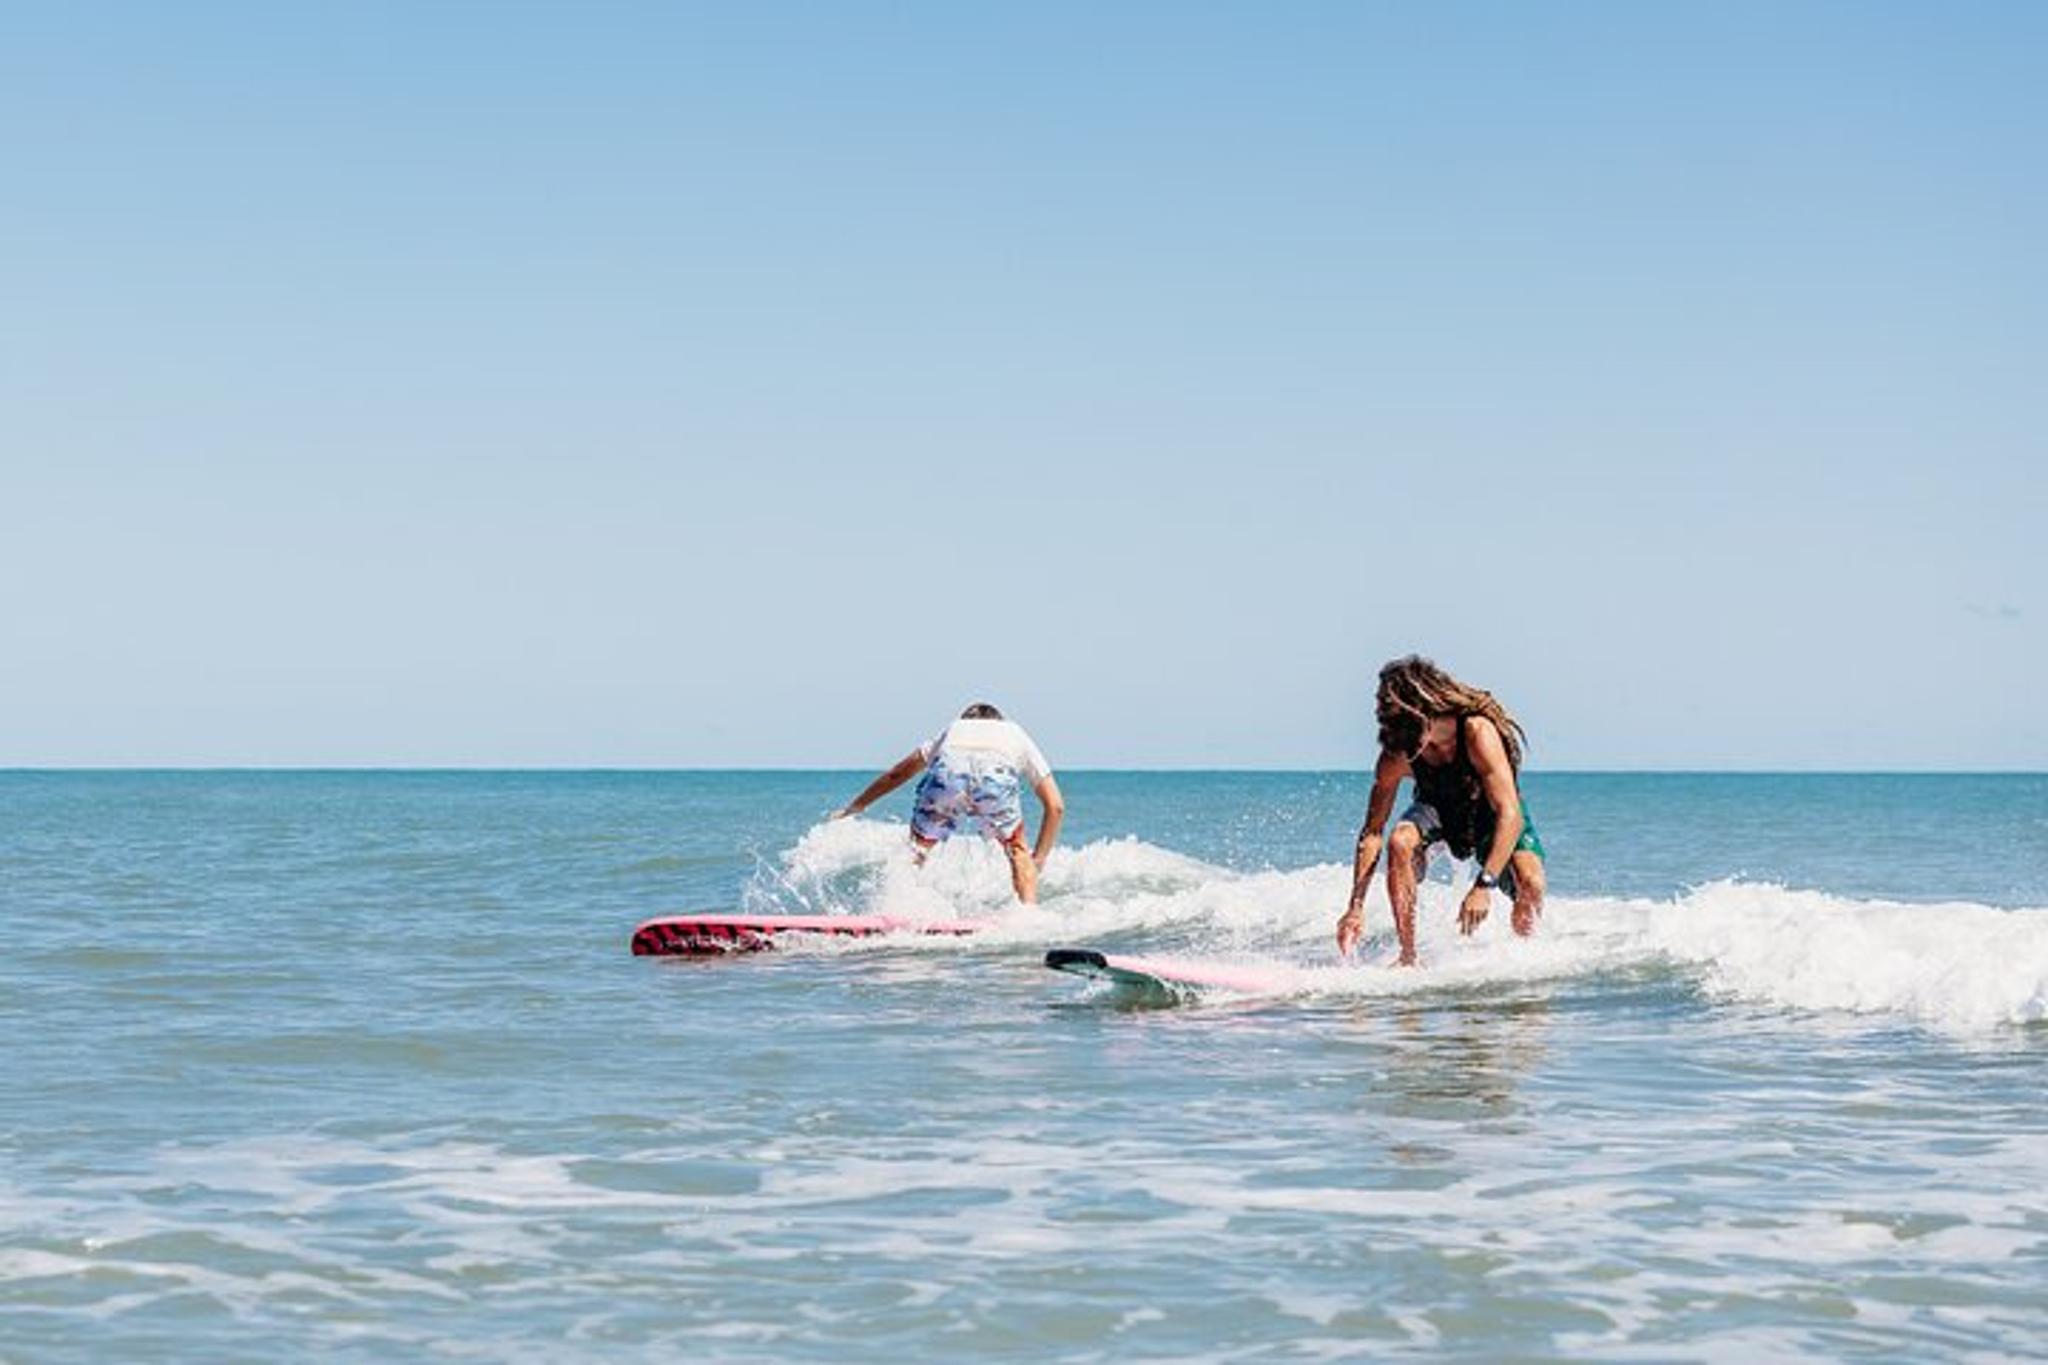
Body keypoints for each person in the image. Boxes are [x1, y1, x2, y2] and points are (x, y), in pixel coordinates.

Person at [1335, 656, 1547, 965]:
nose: (1405, 751)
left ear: (1423, 713)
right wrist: (1355, 907)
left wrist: (1483, 885)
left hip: (1491, 813)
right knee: (1400, 840)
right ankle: (1408, 958)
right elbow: (1372, 832)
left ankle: (1526, 958)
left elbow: (1509, 813)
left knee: (1532, 883)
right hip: (1437, 810)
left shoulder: (1477, 732)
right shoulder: (1397, 753)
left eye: (1409, 738)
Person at [834, 703, 1065, 904]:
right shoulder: (1015, 733)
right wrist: (1038, 860)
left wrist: (857, 805)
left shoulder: (955, 729)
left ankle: (897, 906)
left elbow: (898, 773)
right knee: (1016, 849)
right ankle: (1027, 914)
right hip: (995, 777)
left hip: (948, 772)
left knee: (918, 847)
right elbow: (1055, 807)